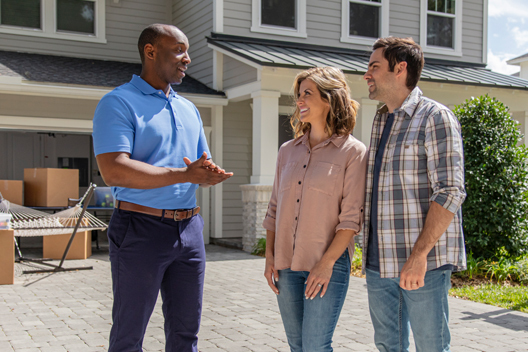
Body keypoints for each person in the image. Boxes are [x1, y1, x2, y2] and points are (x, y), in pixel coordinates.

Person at [92, 24, 232, 352]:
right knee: (129, 336)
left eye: (187, 52)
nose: (188, 59)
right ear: (150, 51)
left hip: (190, 230)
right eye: (179, 51)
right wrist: (185, 173)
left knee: (186, 335)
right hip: (140, 229)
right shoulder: (117, 103)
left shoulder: (189, 109)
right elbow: (114, 170)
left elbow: (198, 165)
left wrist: (208, 173)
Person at [362, 37, 466, 352]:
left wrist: (419, 256)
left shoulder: (435, 117)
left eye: (374, 67)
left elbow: (450, 191)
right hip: (378, 262)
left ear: (400, 69)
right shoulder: (381, 120)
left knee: (431, 346)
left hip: (423, 262)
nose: (366, 75)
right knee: (387, 345)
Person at [262, 66, 368, 352]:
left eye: (307, 93)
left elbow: (351, 218)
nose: (300, 101)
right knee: (298, 346)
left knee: (315, 346)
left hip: (327, 265)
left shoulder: (353, 152)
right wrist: (270, 255)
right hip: (286, 264)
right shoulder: (287, 151)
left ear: (329, 99)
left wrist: (326, 264)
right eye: (298, 94)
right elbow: (274, 209)